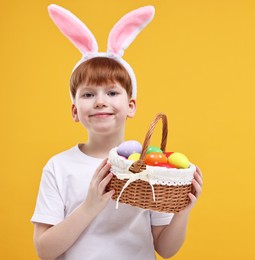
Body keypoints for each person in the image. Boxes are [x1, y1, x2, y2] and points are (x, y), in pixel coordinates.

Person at [31, 4, 203, 260]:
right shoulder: (59, 166)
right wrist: (89, 207)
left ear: (130, 105)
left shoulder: (149, 167)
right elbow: (45, 251)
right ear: (75, 111)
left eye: (112, 93)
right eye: (88, 94)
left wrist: (182, 210)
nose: (100, 101)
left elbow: (165, 249)